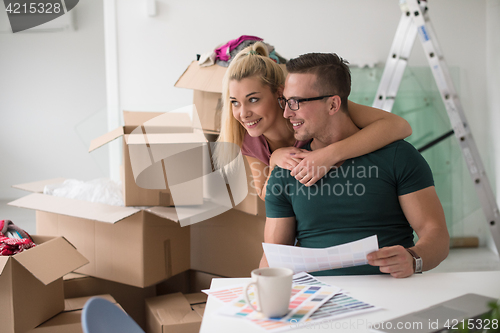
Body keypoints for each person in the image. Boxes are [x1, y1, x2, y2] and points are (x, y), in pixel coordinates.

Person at [260, 52, 449, 278]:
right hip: (319, 301)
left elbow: (436, 234)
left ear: (333, 104)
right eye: (286, 101)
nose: (286, 113)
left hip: (393, 292)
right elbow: (273, 257)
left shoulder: (398, 156)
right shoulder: (287, 169)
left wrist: (413, 258)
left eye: (296, 102)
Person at [215, 42, 412, 201]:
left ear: (279, 93)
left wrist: (327, 155)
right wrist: (275, 160)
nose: (243, 113)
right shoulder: (247, 138)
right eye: (235, 103)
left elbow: (400, 126)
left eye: (253, 100)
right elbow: (264, 194)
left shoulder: (315, 109)